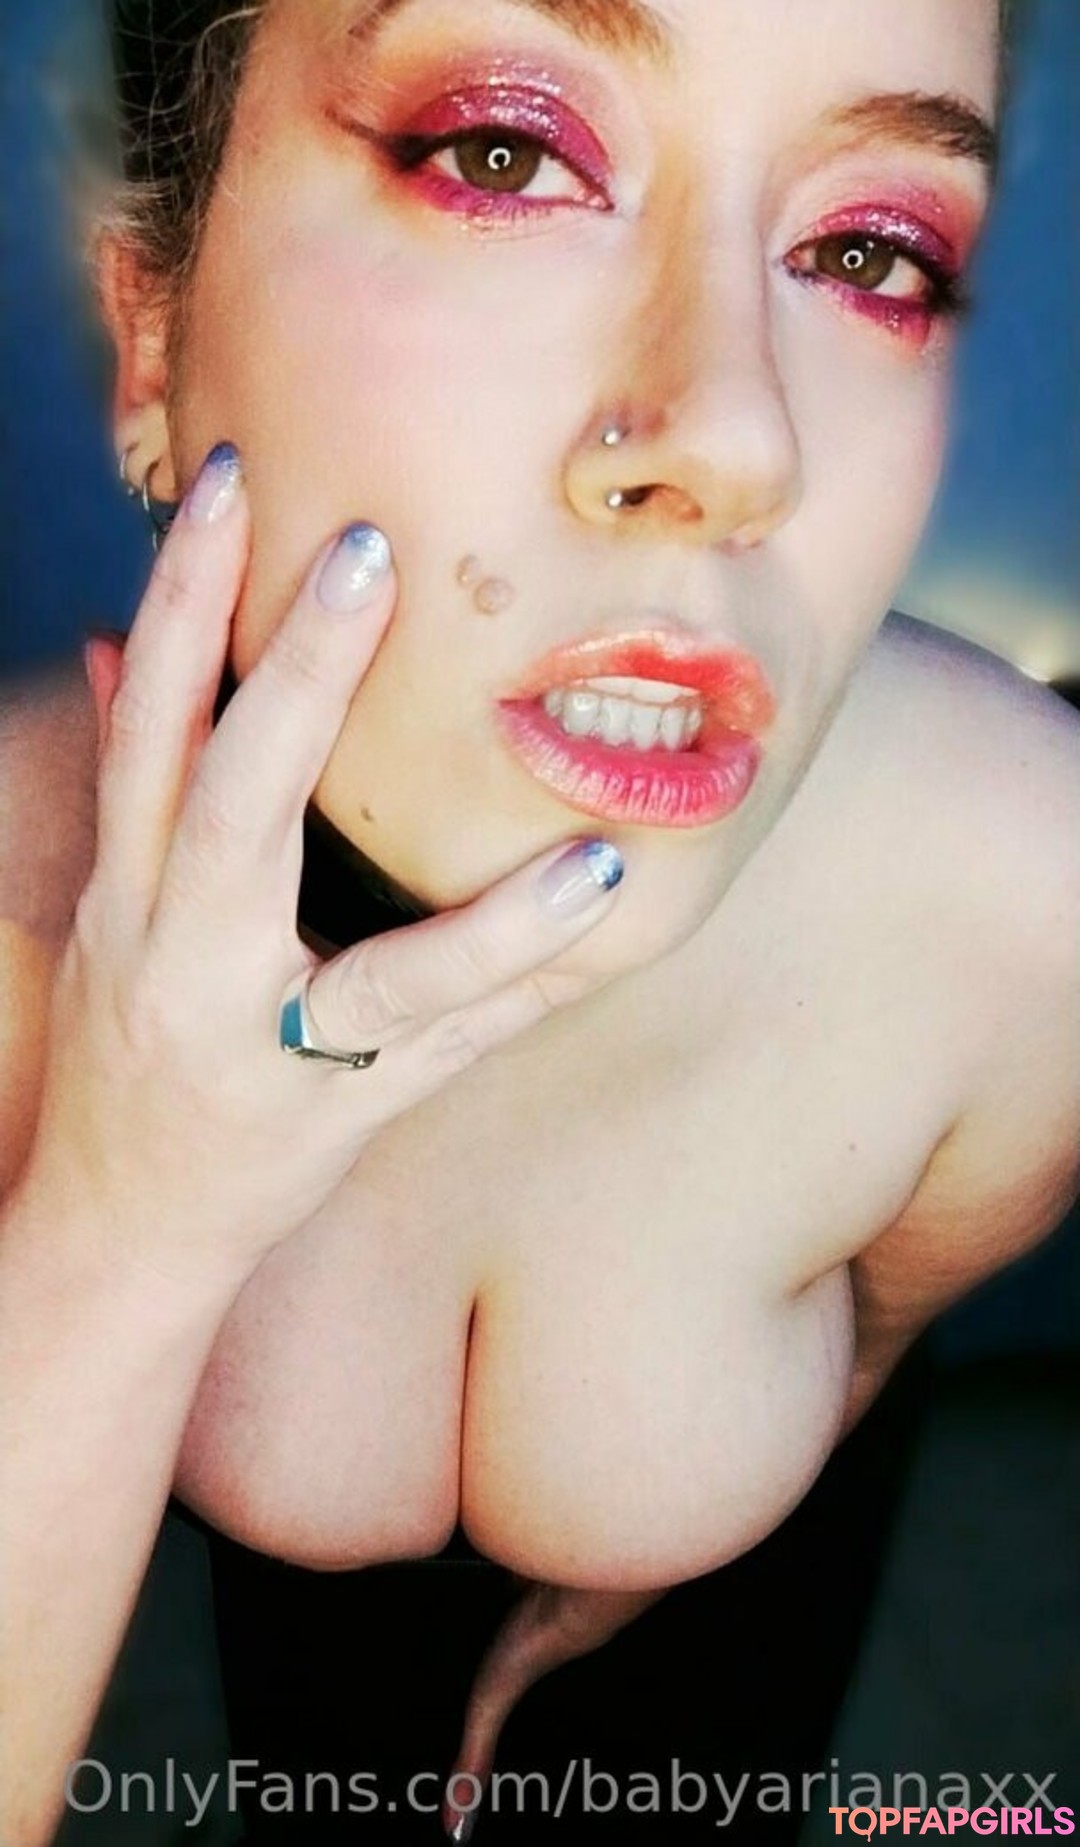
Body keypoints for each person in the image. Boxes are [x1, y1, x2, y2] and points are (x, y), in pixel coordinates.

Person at [1, 0, 1077, 1841]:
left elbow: (886, 1328)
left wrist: (695, 1536)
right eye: (502, 153)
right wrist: (122, 1228)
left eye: (868, 252)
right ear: (153, 334)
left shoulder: (1027, 901)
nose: (739, 442)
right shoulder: (19, 914)